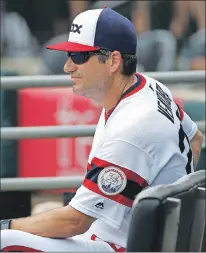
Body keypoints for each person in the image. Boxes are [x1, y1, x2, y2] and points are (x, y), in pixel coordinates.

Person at [0, 7, 203, 252]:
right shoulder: (150, 86)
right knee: (43, 211)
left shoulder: (133, 128)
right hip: (129, 233)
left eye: (78, 57)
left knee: (5, 238)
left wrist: (6, 225)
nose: (67, 67)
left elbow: (75, 221)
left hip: (116, 245)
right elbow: (195, 138)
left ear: (114, 61)